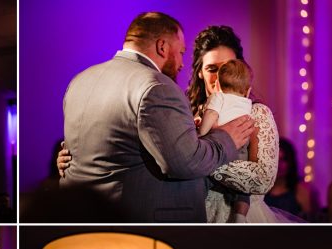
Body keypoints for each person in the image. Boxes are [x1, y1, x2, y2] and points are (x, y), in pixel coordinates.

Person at [60, 12, 252, 222]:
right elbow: (185, 162)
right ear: (162, 47)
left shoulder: (80, 80)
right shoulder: (157, 86)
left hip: (80, 213)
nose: (181, 63)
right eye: (180, 52)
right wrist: (226, 138)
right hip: (138, 217)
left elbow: (103, 143)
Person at [186, 24, 289, 224]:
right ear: (200, 72)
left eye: (229, 67)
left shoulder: (257, 113)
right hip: (196, 217)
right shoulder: (185, 114)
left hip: (243, 218)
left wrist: (199, 159)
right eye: (212, 69)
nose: (221, 77)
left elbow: (262, 179)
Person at [199, 59, 254, 223]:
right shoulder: (248, 103)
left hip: (223, 147)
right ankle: (240, 215)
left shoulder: (218, 97)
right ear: (248, 91)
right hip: (242, 148)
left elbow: (211, 116)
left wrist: (201, 133)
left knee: (205, 179)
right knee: (243, 190)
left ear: (218, 85)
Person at [264, 137, 319, 220]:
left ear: (291, 162)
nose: (279, 164)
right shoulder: (259, 191)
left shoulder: (302, 191)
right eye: (275, 159)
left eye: (283, 159)